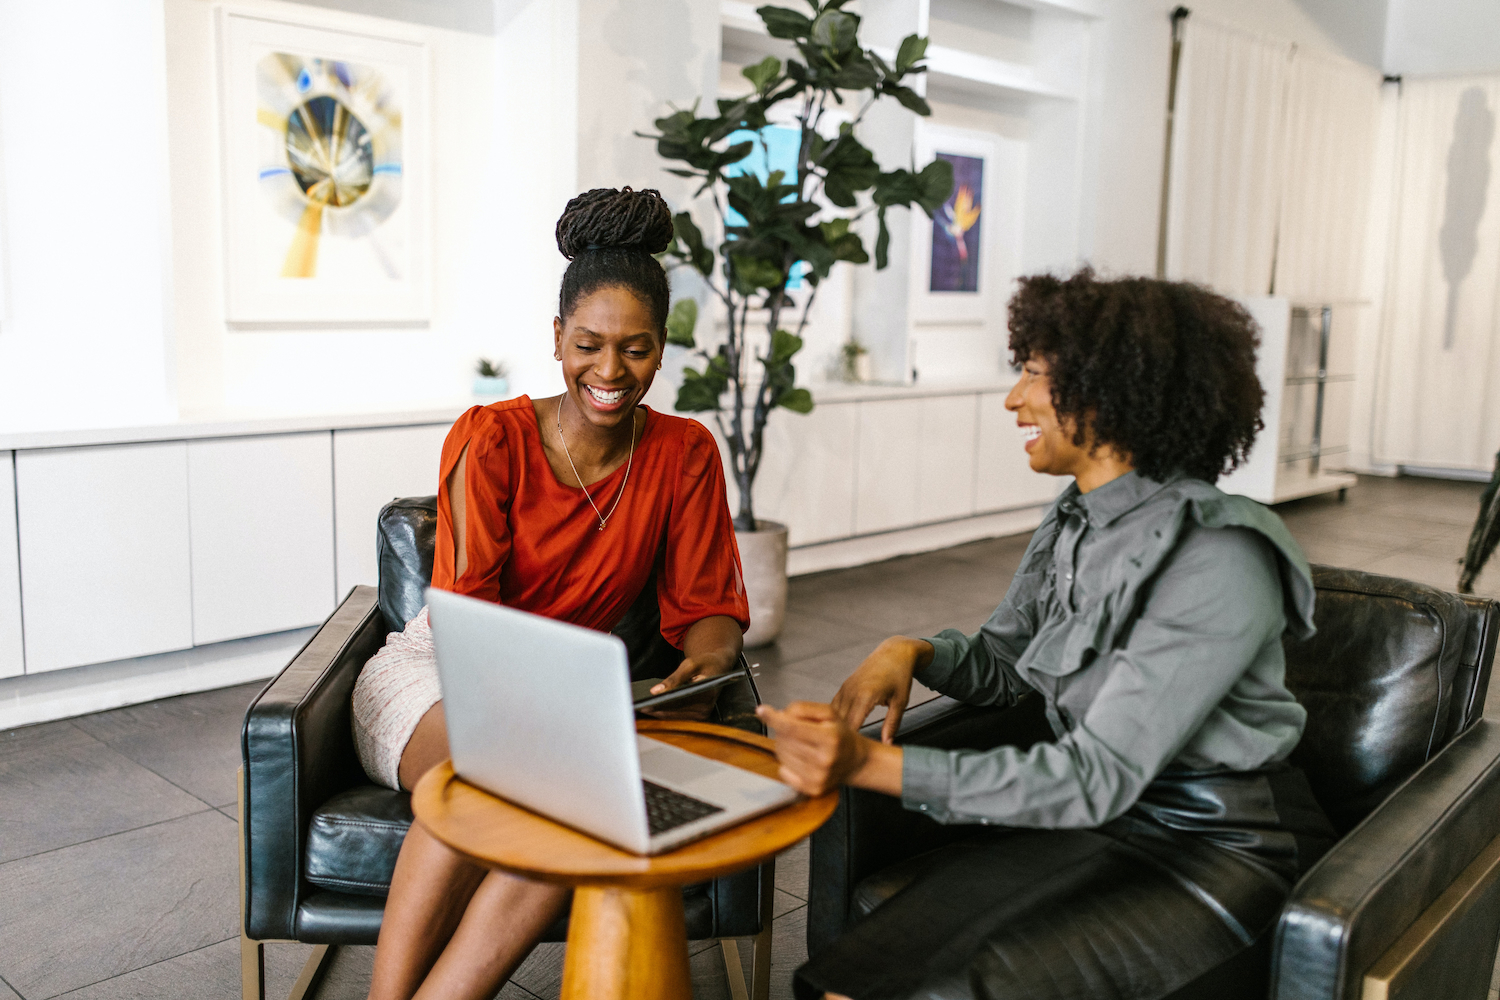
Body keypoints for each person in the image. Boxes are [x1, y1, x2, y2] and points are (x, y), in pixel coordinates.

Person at [758, 270, 1337, 1000]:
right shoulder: (1076, 517)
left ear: (1111, 387)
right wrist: (915, 651)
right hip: (1100, 825)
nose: (1013, 397)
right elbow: (1010, 663)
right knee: (849, 979)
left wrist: (866, 765)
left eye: (1033, 373)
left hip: (1222, 852)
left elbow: (1095, 775)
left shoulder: (1218, 555)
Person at [352, 186, 750, 1000]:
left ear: (662, 349)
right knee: (490, 774)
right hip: (443, 674)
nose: (610, 372)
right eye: (589, 345)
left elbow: (709, 606)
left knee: (567, 802)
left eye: (635, 349)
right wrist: (547, 716)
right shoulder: (491, 438)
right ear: (557, 340)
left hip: (560, 705)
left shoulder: (684, 453)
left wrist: (702, 667)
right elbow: (469, 619)